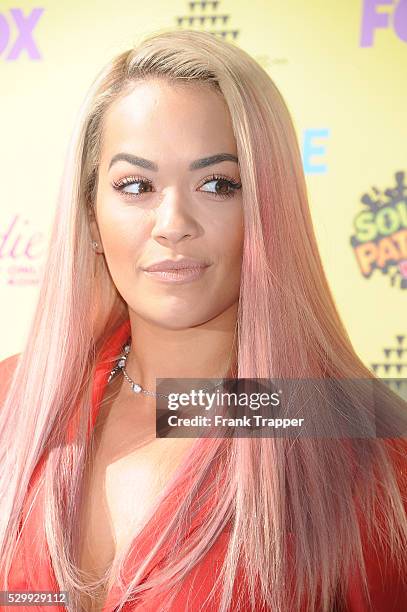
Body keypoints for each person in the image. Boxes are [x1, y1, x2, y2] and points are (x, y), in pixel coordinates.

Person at [0, 29, 406, 612]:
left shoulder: (363, 452)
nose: (173, 222)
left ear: (270, 207)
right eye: (135, 185)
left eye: (218, 184)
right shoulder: (16, 401)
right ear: (91, 215)